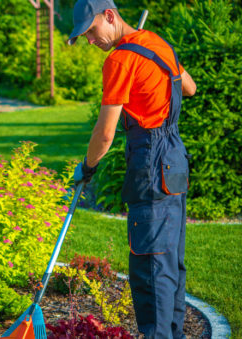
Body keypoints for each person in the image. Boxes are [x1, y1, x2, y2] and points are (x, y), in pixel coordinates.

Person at [69, 0, 197, 338]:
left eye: (91, 32)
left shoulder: (120, 59)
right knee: (170, 264)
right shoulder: (156, 44)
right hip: (175, 159)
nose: (90, 41)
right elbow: (189, 87)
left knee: (151, 269)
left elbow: (106, 132)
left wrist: (88, 166)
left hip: (150, 164)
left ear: (109, 16)